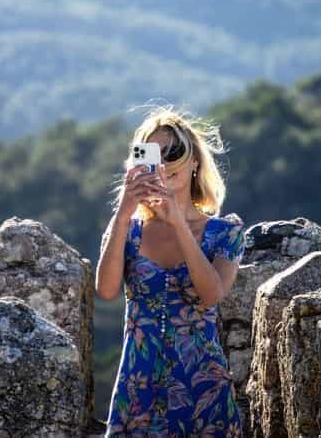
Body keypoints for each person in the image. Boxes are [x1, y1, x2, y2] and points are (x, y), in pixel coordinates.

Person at [96, 108, 244, 437]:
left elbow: (211, 295)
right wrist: (122, 214)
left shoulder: (225, 233)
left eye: (173, 152)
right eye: (152, 154)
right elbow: (105, 291)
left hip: (203, 390)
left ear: (195, 163)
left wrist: (178, 221)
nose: (164, 163)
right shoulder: (127, 230)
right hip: (138, 387)